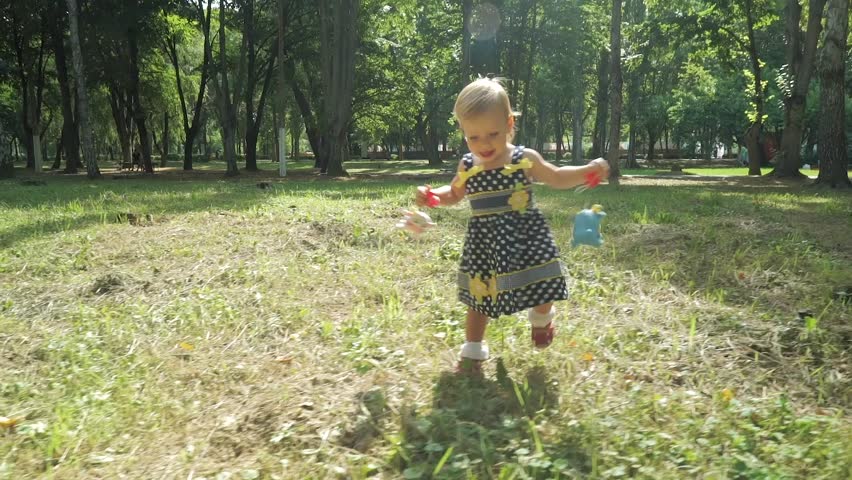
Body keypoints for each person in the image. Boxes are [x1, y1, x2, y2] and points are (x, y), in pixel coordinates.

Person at [415, 77, 610, 373]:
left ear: (508, 124)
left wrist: (586, 171)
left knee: (543, 283)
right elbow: (454, 194)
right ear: (463, 133)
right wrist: (432, 197)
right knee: (480, 297)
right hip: (485, 243)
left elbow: (556, 176)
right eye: (473, 137)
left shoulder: (523, 158)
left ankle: (541, 319)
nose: (484, 144)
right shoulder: (468, 165)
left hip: (527, 236)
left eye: (492, 134)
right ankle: (473, 350)